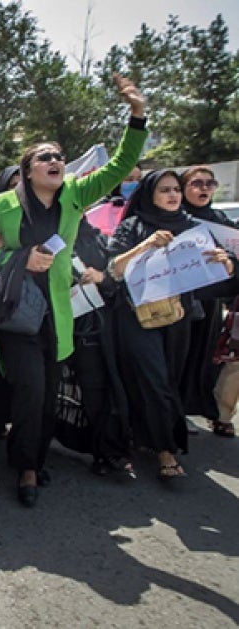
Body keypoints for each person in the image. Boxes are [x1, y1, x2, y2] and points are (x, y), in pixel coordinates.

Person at [0, 73, 148, 507]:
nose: (55, 160)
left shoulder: (76, 194)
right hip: (17, 311)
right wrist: (15, 258)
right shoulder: (2, 205)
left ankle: (36, 454)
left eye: (59, 155)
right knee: (31, 389)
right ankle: (26, 467)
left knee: (49, 393)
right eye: (45, 156)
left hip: (59, 312)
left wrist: (137, 115)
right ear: (27, 170)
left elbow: (118, 165)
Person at [105, 170, 237, 479]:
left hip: (178, 320)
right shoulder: (133, 227)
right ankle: (166, 450)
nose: (173, 195)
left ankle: (146, 436)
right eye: (164, 190)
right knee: (154, 378)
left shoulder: (194, 229)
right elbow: (113, 270)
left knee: (168, 379)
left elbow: (221, 272)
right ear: (150, 194)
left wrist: (227, 262)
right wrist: (145, 246)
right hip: (135, 319)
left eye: (176, 189)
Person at [66, 217, 134, 477]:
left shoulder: (94, 240)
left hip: (89, 328)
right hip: (47, 328)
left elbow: (114, 285)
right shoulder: (33, 234)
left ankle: (106, 451)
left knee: (96, 388)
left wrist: (100, 278)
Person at [178, 165, 237, 433]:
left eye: (209, 184)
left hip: (210, 300)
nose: (204, 189)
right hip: (180, 299)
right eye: (196, 183)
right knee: (180, 355)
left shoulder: (219, 220)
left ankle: (203, 408)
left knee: (204, 356)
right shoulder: (174, 217)